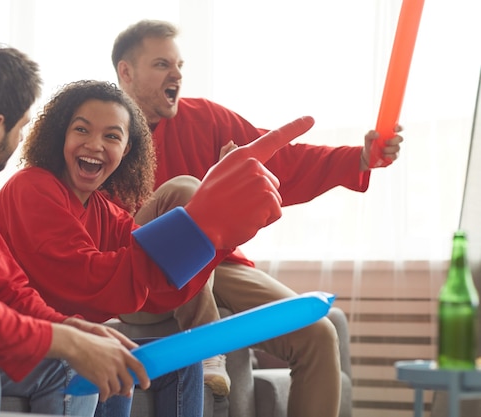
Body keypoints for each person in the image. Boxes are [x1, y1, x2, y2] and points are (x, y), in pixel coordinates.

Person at [0, 45, 313, 416]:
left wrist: (214, 232)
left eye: (113, 136)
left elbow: (11, 288)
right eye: (23, 124)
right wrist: (206, 223)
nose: (22, 136)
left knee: (131, 359)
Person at [110, 19, 405, 417]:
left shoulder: (206, 120)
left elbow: (281, 159)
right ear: (126, 73)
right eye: (162, 64)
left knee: (317, 333)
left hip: (218, 262)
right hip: (141, 268)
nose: (177, 73)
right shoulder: (101, 133)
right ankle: (205, 342)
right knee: (186, 196)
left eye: (180, 64)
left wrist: (360, 157)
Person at [0, 80, 314, 417]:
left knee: (181, 365)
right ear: (60, 136)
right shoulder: (32, 188)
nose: (95, 144)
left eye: (112, 136)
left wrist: (221, 233)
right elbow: (90, 283)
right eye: (82, 130)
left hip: (62, 340)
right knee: (96, 360)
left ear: (127, 150)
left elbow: (160, 288)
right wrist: (208, 220)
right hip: (17, 342)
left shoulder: (105, 212)